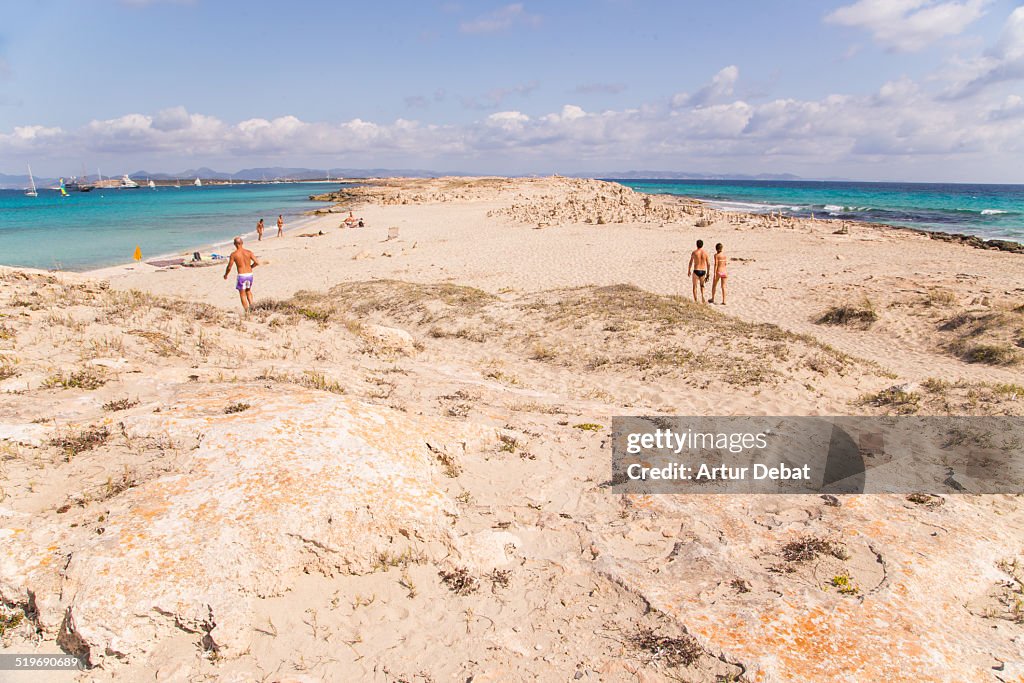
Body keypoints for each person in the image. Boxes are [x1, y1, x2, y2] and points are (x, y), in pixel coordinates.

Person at [223, 236, 260, 313]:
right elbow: (257, 262)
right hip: (250, 274)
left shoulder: (234, 254)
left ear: (234, 244)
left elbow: (229, 267)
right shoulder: (249, 252)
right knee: (248, 291)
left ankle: (247, 311)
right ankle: (252, 307)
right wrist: (250, 267)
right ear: (242, 243)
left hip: (242, 275)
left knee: (242, 294)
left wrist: (226, 275)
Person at [687, 239, 710, 303]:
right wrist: (708, 273)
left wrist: (689, 270)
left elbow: (691, 262)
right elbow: (708, 264)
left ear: (696, 245)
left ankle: (696, 300)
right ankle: (702, 295)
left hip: (696, 270)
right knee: (702, 285)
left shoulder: (694, 252)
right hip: (703, 270)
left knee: (695, 286)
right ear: (702, 245)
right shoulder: (705, 253)